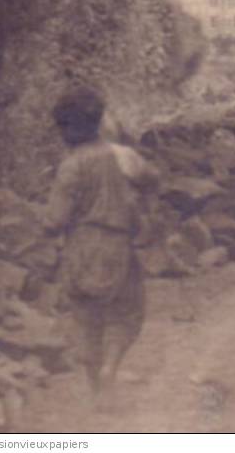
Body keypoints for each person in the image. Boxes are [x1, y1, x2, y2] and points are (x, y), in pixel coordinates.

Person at [43, 87, 155, 408]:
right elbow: (152, 180)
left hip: (80, 248)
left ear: (65, 129)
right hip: (118, 245)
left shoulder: (70, 165)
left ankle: (95, 389)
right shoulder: (124, 156)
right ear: (97, 122)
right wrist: (141, 209)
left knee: (87, 318)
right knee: (126, 313)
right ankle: (111, 368)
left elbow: (55, 220)